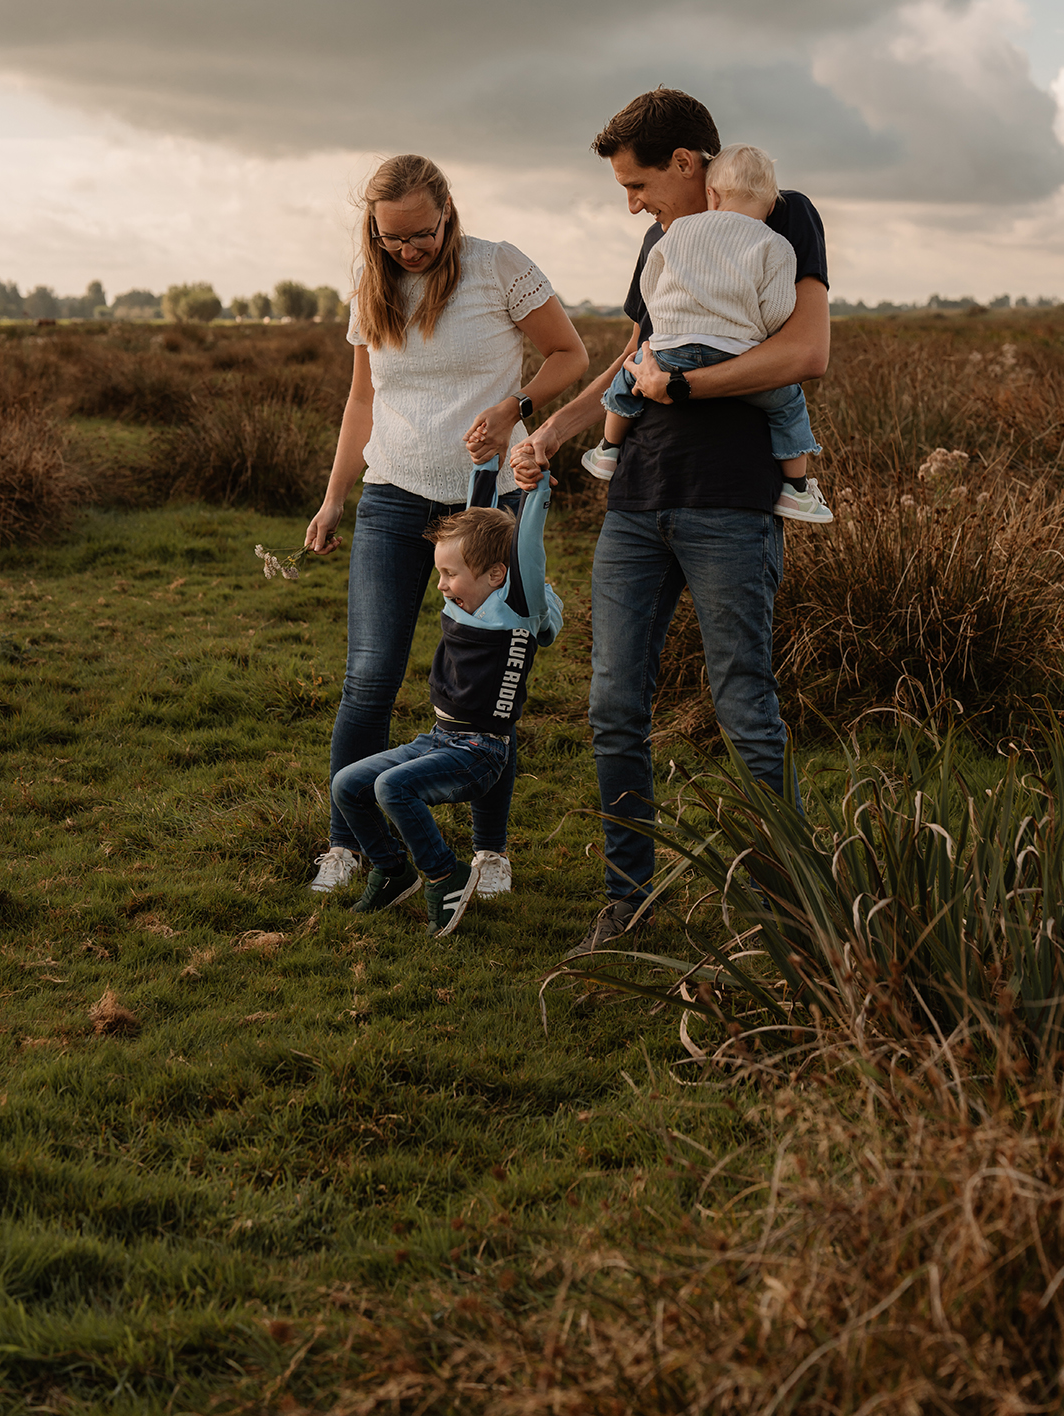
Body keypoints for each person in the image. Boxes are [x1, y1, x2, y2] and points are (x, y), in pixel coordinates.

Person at [511, 88, 830, 958]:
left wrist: (684, 387)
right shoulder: (661, 244)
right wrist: (552, 430)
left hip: (730, 502)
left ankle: (795, 917)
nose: (633, 205)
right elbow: (636, 357)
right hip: (637, 502)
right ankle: (629, 903)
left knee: (744, 709)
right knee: (613, 706)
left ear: (687, 165)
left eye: (639, 184)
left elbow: (805, 351)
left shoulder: (783, 214)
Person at [304, 153, 588, 896]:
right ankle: (349, 845)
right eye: (392, 238)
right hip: (393, 497)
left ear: (447, 212)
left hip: (484, 507)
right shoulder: (372, 291)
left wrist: (514, 407)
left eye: (421, 235)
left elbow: (571, 353)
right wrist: (336, 498)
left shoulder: (499, 269)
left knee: (486, 686)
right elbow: (361, 403)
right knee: (368, 679)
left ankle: (489, 854)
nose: (408, 250)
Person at [328, 455, 563, 936]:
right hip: (439, 738)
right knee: (348, 784)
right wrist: (486, 465)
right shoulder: (469, 590)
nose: (441, 585)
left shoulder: (518, 604)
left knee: (391, 788)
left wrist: (535, 492)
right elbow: (478, 516)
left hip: (481, 751)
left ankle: (443, 873)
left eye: (450, 575)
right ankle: (394, 871)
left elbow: (528, 547)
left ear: (497, 574)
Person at [581, 143, 831, 524]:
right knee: (789, 406)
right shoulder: (775, 242)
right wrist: (756, 332)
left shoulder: (676, 231)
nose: (634, 203)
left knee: (629, 373)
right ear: (769, 204)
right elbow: (779, 307)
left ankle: (607, 449)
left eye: (638, 186)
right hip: (735, 354)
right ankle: (796, 489)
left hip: (670, 349)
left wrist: (668, 325)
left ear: (711, 195)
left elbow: (651, 286)